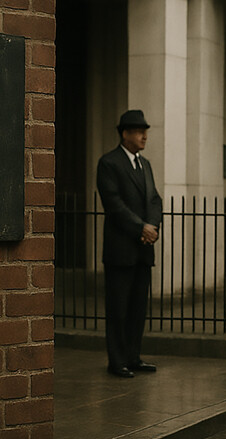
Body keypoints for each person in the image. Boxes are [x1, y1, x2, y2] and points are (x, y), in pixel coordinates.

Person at [96, 110, 163, 378]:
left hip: (143, 250)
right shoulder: (109, 163)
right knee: (118, 308)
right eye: (138, 131)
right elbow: (114, 205)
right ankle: (117, 361)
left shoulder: (145, 164)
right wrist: (141, 227)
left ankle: (133, 357)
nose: (144, 136)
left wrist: (153, 226)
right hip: (120, 250)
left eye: (145, 131)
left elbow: (155, 200)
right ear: (124, 134)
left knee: (137, 308)